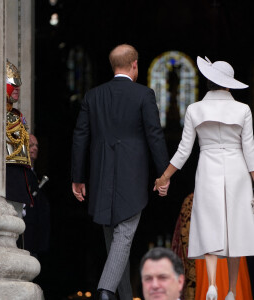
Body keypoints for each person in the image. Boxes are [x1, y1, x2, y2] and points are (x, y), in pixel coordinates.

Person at [71, 44, 169, 300]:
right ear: (135, 64)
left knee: (116, 243)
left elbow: (80, 137)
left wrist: (78, 178)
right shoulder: (144, 95)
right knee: (123, 238)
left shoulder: (93, 95)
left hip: (101, 177)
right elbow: (155, 136)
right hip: (132, 178)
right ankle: (105, 290)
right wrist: (164, 174)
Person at [155, 56, 254, 300]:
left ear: (208, 82)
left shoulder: (195, 109)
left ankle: (211, 284)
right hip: (237, 169)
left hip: (208, 167)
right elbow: (250, 152)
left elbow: (183, 151)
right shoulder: (243, 109)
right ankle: (231, 290)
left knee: (210, 224)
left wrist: (164, 177)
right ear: (228, 85)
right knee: (235, 230)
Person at [6, 60, 33, 217]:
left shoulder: (18, 115)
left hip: (18, 179)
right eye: (12, 83)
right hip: (6, 178)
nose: (17, 88)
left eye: (18, 84)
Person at [23, 134, 51, 258]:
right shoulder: (20, 173)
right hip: (25, 234)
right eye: (31, 145)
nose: (35, 148)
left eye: (36, 146)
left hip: (36, 236)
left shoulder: (37, 175)